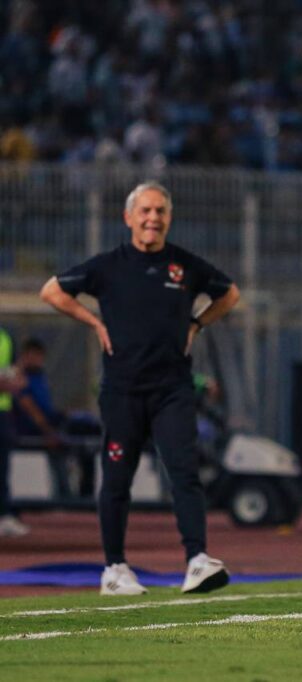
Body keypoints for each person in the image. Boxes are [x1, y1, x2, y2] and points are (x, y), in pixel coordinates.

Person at [40, 181, 241, 595]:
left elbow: (230, 293)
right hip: (122, 391)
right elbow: (52, 291)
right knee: (116, 480)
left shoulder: (184, 266)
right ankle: (114, 569)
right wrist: (94, 322)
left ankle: (197, 561)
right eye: (145, 211)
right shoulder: (108, 266)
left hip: (173, 389)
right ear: (128, 218)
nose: (153, 218)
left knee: (185, 473)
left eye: (160, 211)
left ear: (169, 218)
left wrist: (196, 323)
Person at [12, 337, 97, 500]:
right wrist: (48, 431)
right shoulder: (20, 379)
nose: (34, 360)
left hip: (50, 422)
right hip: (34, 428)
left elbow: (45, 408)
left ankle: (85, 491)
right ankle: (67, 496)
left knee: (88, 427)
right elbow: (29, 408)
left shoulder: (40, 378)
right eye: (31, 356)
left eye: (38, 356)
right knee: (66, 440)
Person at [0, 326, 30, 537]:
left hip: (3, 413)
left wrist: (16, 381)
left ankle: (4, 516)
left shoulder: (6, 336)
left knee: (2, 468)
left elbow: (16, 373)